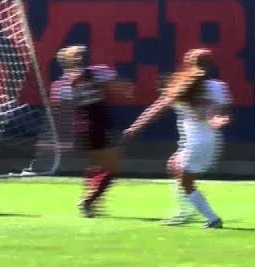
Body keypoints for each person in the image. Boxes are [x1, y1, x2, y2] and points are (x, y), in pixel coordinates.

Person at [124, 49, 231, 228]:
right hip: (211, 140)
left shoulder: (182, 86)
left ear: (188, 64)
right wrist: (220, 119)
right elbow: (224, 113)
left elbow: (155, 110)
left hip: (197, 143)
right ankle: (186, 211)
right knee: (174, 164)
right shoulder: (218, 87)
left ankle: (211, 218)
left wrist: (135, 127)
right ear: (211, 65)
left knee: (187, 182)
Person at [50, 45, 132, 217]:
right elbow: (111, 81)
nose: (83, 57)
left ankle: (91, 202)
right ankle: (89, 200)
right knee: (111, 167)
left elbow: (63, 105)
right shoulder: (97, 73)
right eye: (80, 55)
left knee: (96, 165)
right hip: (97, 123)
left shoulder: (60, 85)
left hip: (82, 126)